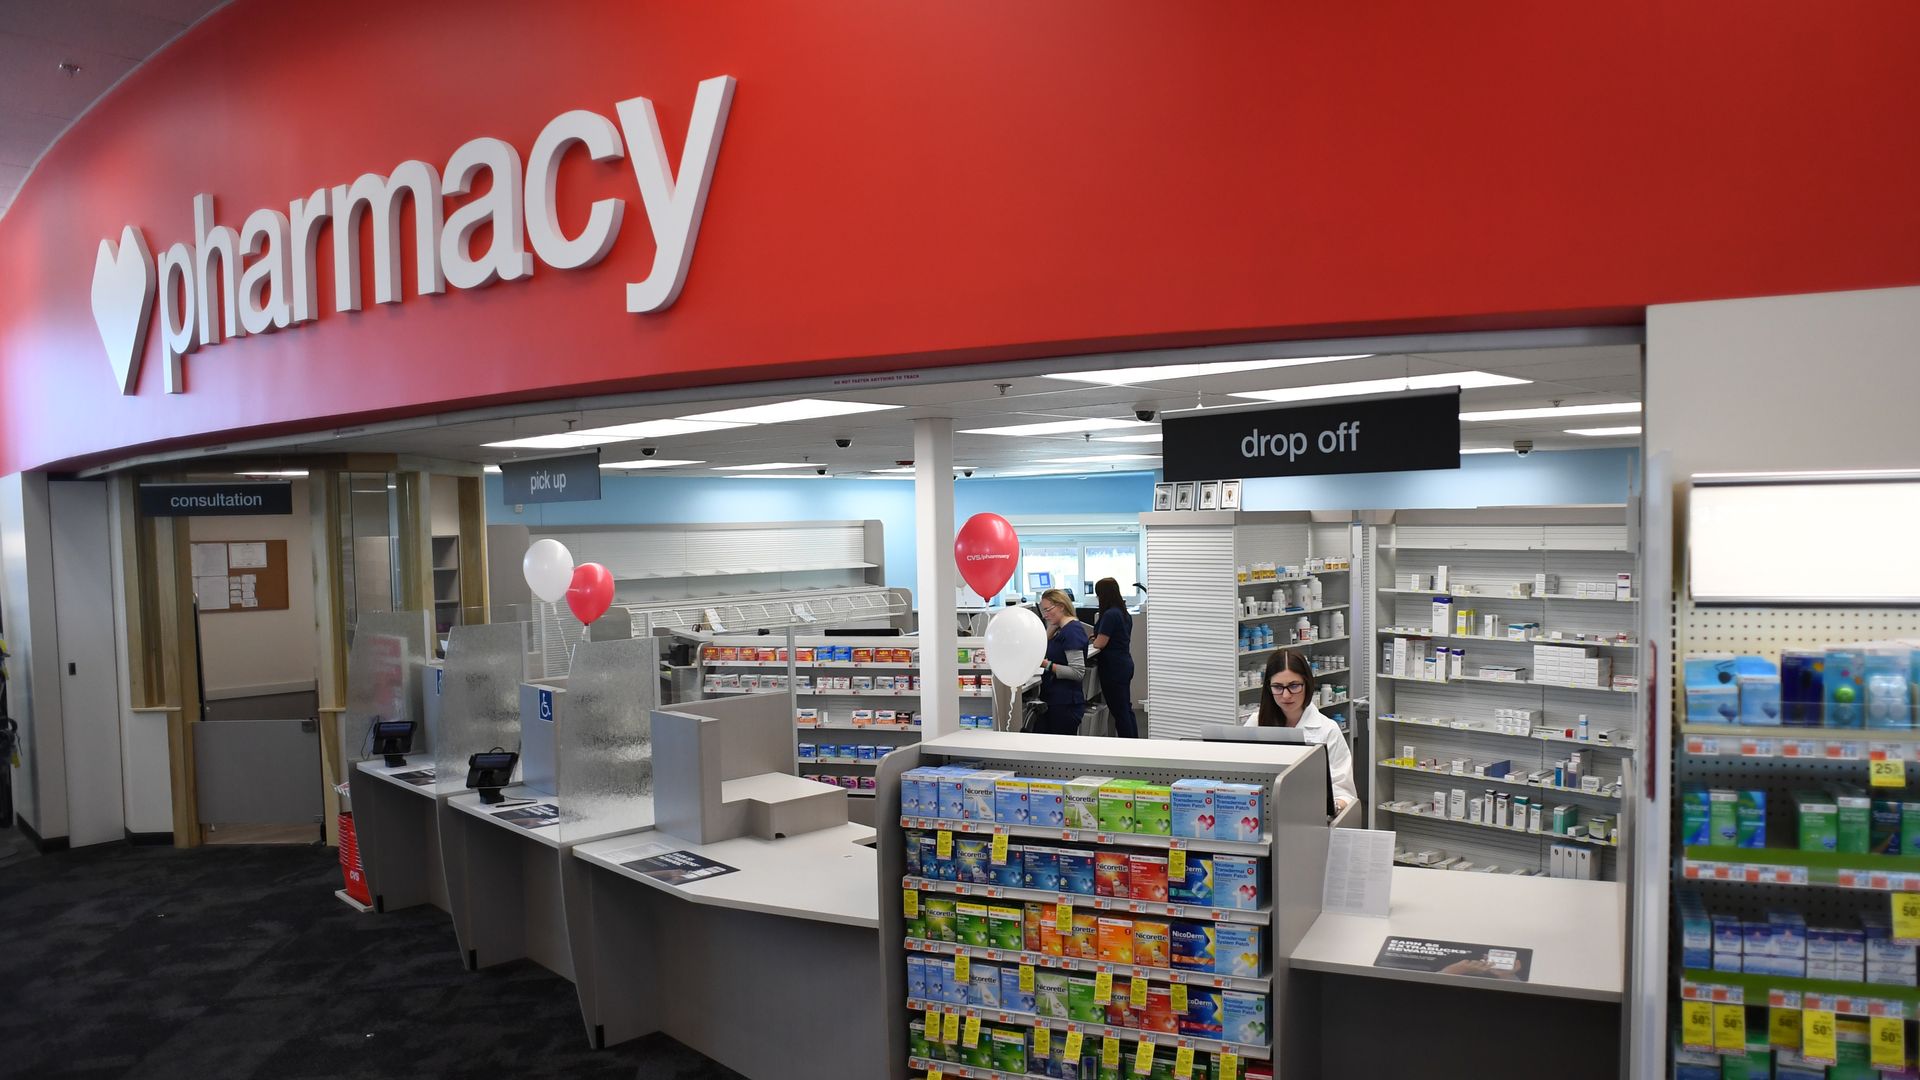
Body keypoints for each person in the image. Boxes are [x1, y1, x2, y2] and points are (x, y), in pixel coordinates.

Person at [1247, 650, 1358, 813]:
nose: (1286, 695)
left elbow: (1345, 794)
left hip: (1310, 820)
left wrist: (1328, 809)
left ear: (1307, 684)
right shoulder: (1255, 723)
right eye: (1277, 687)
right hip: (1262, 814)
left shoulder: (1328, 730)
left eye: (1294, 686)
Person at [1034, 588, 1089, 735]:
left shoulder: (1072, 632)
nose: (1045, 615)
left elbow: (1077, 672)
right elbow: (1042, 645)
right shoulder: (1062, 629)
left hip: (1065, 704)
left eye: (1047, 610)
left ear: (1061, 606)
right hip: (1057, 700)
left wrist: (1046, 664)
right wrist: (1052, 626)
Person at [1089, 577, 1137, 738]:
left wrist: (1095, 640)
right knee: (1125, 708)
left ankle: (1128, 745)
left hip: (1113, 668)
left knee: (1119, 711)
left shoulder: (1110, 614)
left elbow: (1100, 644)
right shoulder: (1123, 613)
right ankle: (1135, 743)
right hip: (1124, 664)